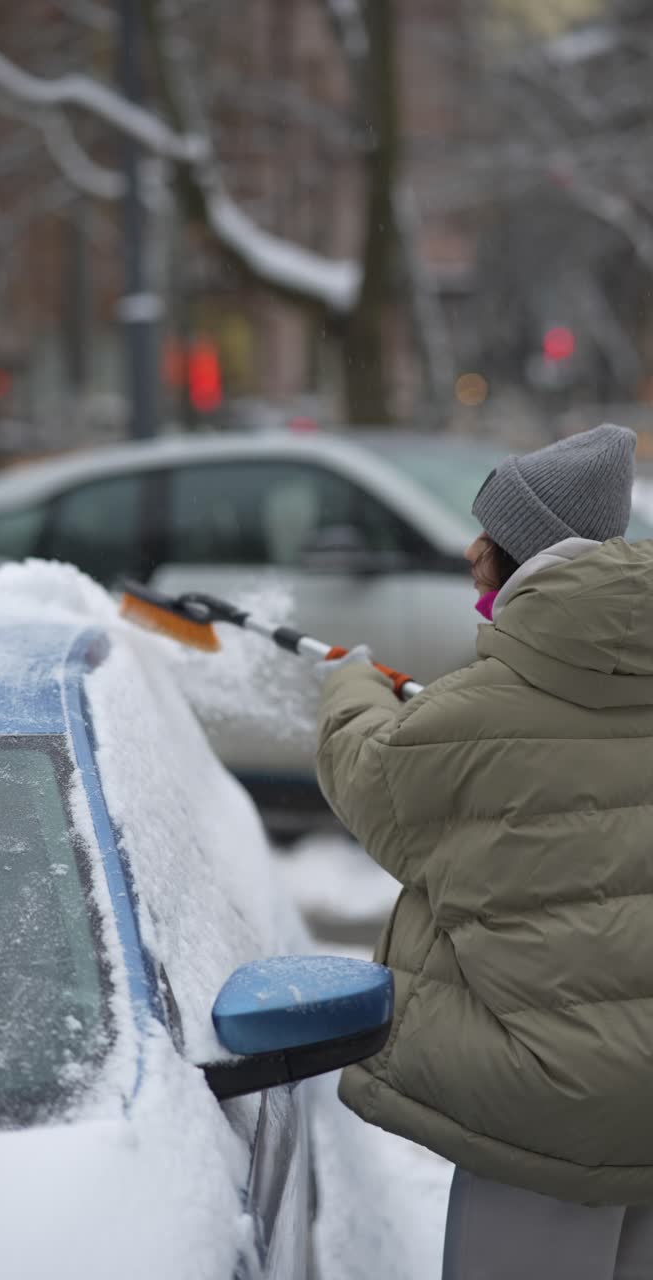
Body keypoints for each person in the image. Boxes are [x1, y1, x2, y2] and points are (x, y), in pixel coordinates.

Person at [315, 423, 653, 1280]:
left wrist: (353, 680)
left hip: (544, 1115)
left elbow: (367, 778)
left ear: (531, 555)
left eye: (491, 534)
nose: (471, 549)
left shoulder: (470, 711)